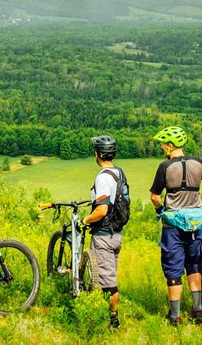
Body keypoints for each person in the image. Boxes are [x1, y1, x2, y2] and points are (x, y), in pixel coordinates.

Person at [148, 126, 202, 326]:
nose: (162, 148)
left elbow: (154, 197)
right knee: (194, 265)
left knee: (173, 268)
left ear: (170, 146)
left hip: (173, 227)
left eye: (163, 145)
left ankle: (175, 316)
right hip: (195, 224)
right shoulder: (199, 163)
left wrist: (160, 210)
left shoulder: (165, 167)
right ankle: (198, 311)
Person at [81, 135, 125, 329]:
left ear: (97, 154)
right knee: (108, 275)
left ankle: (113, 321)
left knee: (108, 283)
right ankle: (104, 312)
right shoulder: (119, 173)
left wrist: (85, 220)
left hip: (103, 236)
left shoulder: (103, 178)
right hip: (116, 234)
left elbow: (102, 210)